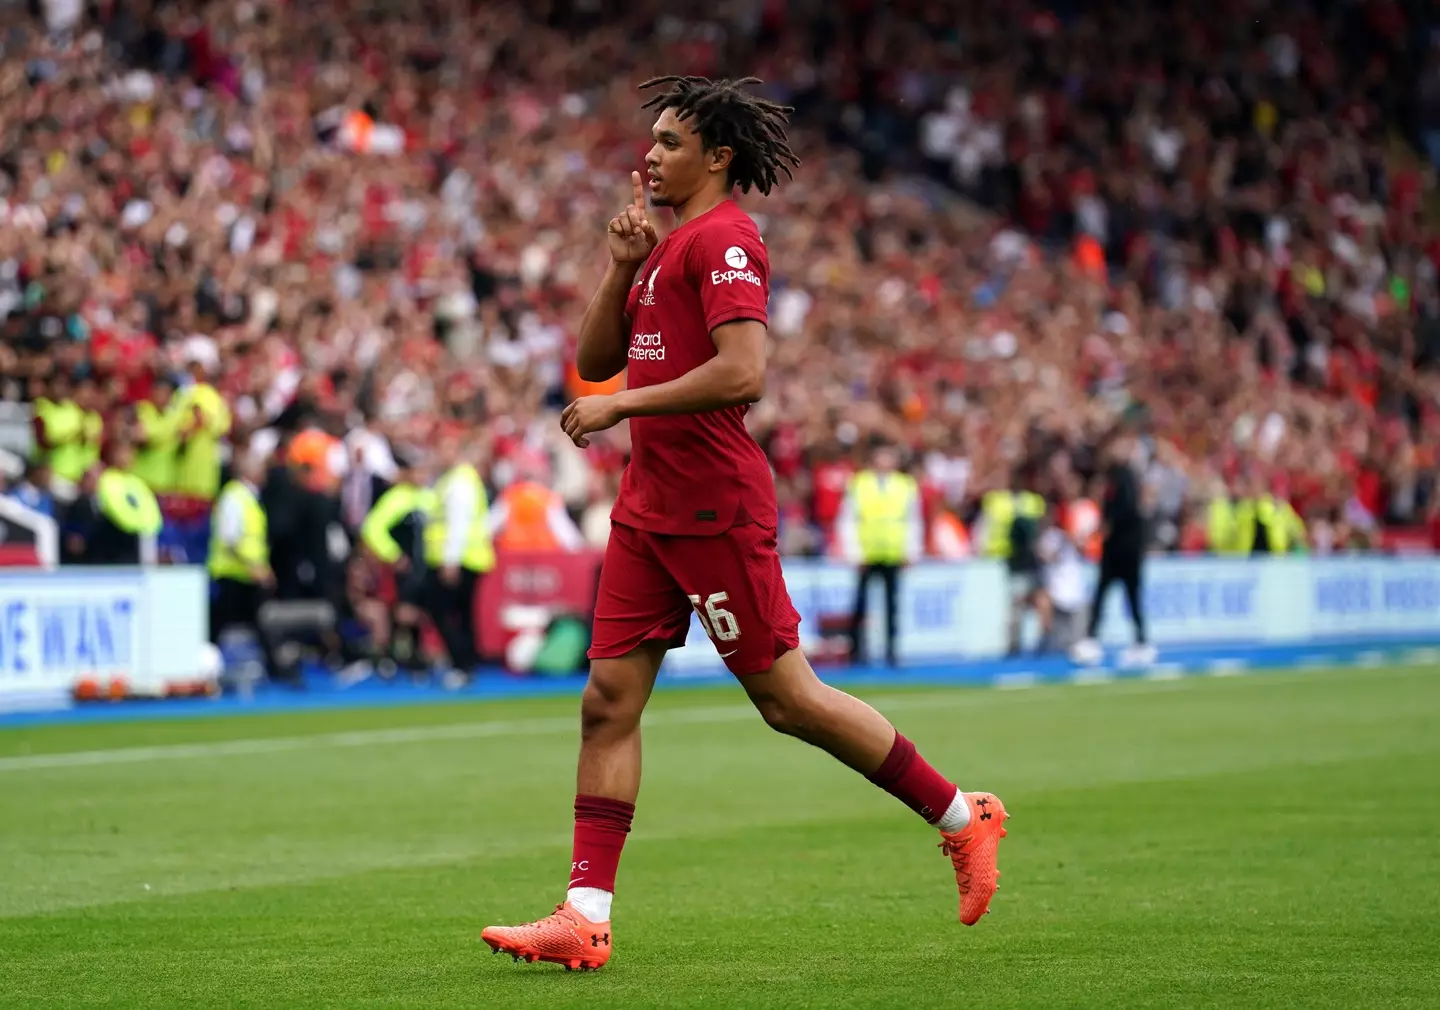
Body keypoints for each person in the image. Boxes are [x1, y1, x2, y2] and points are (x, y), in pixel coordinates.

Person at [483, 76, 1008, 971]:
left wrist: (621, 409)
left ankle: (965, 816)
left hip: (714, 506)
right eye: (650, 140)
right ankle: (585, 914)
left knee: (788, 701)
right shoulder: (663, 245)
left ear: (717, 156)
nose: (649, 154)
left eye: (669, 142)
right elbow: (595, 358)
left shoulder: (726, 241)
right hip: (649, 507)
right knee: (606, 703)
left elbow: (743, 374)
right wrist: (618, 266)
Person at [1071, 432, 1155, 667]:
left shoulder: (1122, 477)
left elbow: (1121, 512)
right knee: (1119, 596)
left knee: (1113, 595)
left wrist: (1098, 533)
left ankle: (1104, 640)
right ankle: (1135, 641)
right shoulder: (1119, 477)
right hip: (1124, 548)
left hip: (1122, 549)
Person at [835, 443, 923, 667]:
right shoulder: (860, 483)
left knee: (892, 605)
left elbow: (913, 519)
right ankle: (857, 651)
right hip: (868, 553)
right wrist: (854, 552)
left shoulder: (905, 485)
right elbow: (848, 518)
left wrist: (911, 550)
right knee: (861, 604)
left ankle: (892, 651)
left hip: (893, 552)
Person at [423, 433, 494, 685]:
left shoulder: (458, 482)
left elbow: (458, 523)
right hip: (467, 557)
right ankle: (467, 664)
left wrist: (450, 559)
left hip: (458, 558)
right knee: (462, 614)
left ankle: (461, 663)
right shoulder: (454, 480)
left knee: (442, 611)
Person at [360, 454, 433, 676]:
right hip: (405, 566)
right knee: (400, 610)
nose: (422, 476)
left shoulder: (429, 498)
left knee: (419, 611)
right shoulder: (397, 498)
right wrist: (393, 555)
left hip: (426, 565)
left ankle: (415, 654)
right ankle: (390, 656)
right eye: (418, 471)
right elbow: (372, 528)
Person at [208, 452, 277, 675]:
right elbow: (230, 539)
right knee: (218, 626)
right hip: (232, 573)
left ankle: (275, 667)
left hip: (243, 574)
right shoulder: (234, 497)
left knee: (255, 622)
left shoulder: (247, 497)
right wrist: (254, 566)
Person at [92, 443, 163, 565]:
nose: (127, 457)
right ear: (112, 455)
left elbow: (150, 511)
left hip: (138, 539)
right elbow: (116, 510)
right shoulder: (107, 480)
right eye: (123, 453)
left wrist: (147, 527)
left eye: (130, 453)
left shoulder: (137, 482)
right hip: (114, 540)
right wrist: (136, 526)